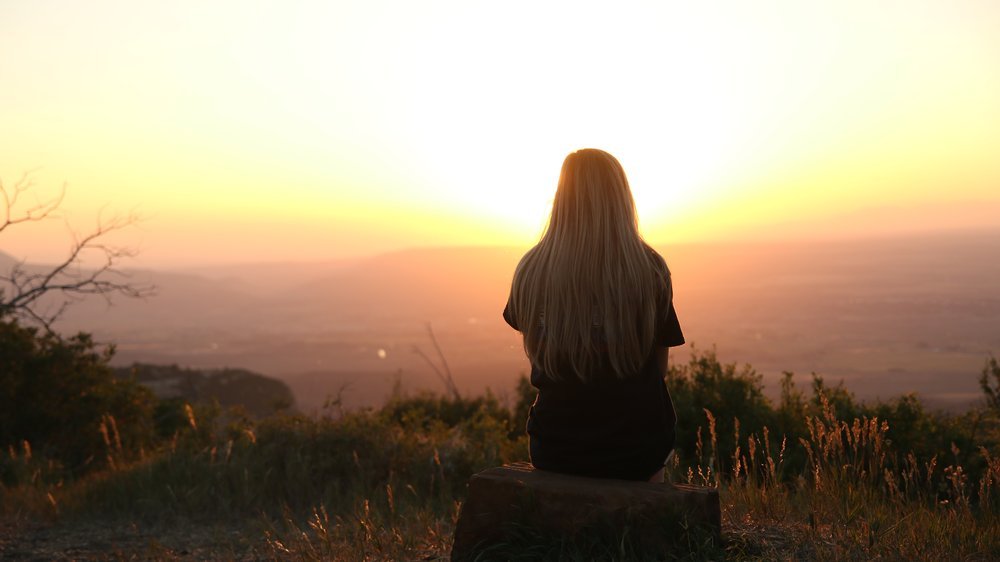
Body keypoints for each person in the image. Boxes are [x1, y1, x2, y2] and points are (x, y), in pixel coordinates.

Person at [503, 148, 684, 482]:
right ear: (621, 199)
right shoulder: (650, 270)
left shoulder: (530, 270)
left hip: (556, 448)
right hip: (637, 449)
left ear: (561, 198)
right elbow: (659, 370)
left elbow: (539, 354)